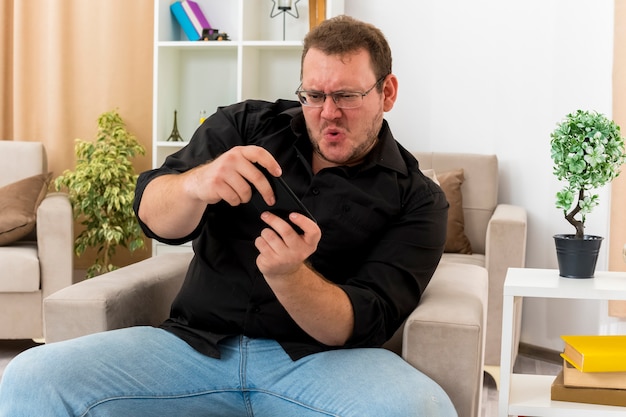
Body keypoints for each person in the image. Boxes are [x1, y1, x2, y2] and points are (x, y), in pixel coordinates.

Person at [0, 15, 455, 417]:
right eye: (314, 95)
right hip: (192, 348)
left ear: (387, 92)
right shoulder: (245, 126)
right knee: (30, 376)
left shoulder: (419, 200)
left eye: (348, 96)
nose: (328, 114)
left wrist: (290, 275)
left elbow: (356, 323)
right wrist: (195, 183)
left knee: (423, 409)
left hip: (321, 365)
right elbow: (153, 213)